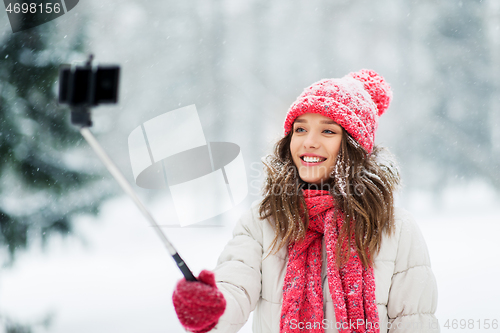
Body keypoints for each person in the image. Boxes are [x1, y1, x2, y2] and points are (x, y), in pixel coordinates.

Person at [172, 69, 440, 333]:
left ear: (354, 145)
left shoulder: (395, 227)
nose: (308, 142)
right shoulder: (263, 220)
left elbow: (414, 322)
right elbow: (235, 285)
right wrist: (211, 308)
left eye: (328, 132)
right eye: (300, 129)